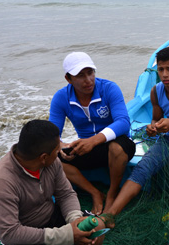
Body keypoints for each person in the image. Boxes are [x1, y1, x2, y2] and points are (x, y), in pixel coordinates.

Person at [104, 46, 169, 215]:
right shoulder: (156, 91)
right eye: (161, 69)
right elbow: (156, 118)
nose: (165, 74)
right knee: (142, 167)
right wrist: (153, 127)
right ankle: (110, 214)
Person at [49, 52, 136, 214]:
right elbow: (51, 133)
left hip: (114, 144)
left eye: (90, 73)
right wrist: (60, 146)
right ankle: (95, 193)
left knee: (118, 147)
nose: (88, 80)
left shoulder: (109, 88)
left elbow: (123, 122)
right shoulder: (61, 98)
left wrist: (93, 141)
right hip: (86, 148)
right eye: (80, 75)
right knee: (52, 159)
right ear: (68, 79)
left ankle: (112, 194)